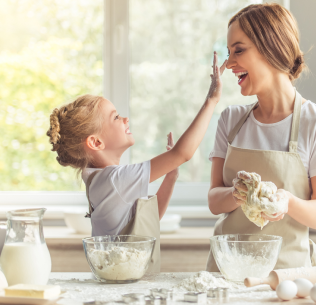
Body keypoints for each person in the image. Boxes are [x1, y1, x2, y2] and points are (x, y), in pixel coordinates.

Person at [46, 52, 226, 273]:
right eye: (115, 117)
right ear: (96, 142)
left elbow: (148, 220)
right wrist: (212, 100)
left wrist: (171, 176)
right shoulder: (115, 180)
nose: (125, 119)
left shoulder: (101, 180)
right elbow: (183, 153)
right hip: (123, 286)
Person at [206, 3, 316, 271]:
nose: (230, 63)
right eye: (228, 52)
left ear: (271, 46)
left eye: (239, 50)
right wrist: (243, 193)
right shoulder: (230, 120)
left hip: (285, 279)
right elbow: (214, 200)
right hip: (226, 273)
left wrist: (286, 200)